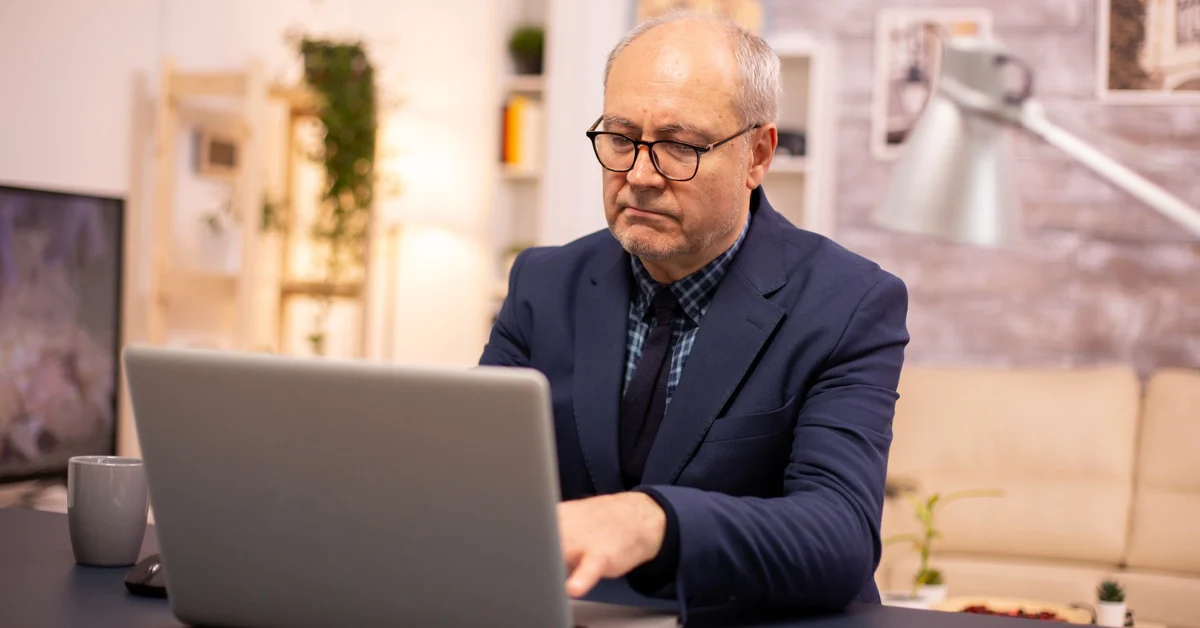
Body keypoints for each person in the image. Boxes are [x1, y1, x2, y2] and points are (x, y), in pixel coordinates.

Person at [479, 10, 910, 611]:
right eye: (622, 138)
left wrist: (653, 521)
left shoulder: (849, 303)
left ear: (758, 155)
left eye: (680, 146)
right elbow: (472, 479)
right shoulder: (542, 283)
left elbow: (838, 537)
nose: (640, 175)